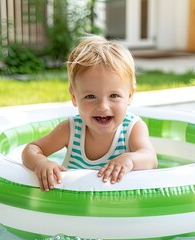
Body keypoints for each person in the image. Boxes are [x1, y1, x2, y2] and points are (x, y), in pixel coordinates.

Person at [22, 35, 157, 191]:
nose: (103, 106)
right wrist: (42, 163)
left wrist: (130, 160)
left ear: (130, 96)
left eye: (114, 96)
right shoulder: (70, 130)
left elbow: (150, 158)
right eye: (90, 96)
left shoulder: (132, 128)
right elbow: (31, 149)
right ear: (74, 98)